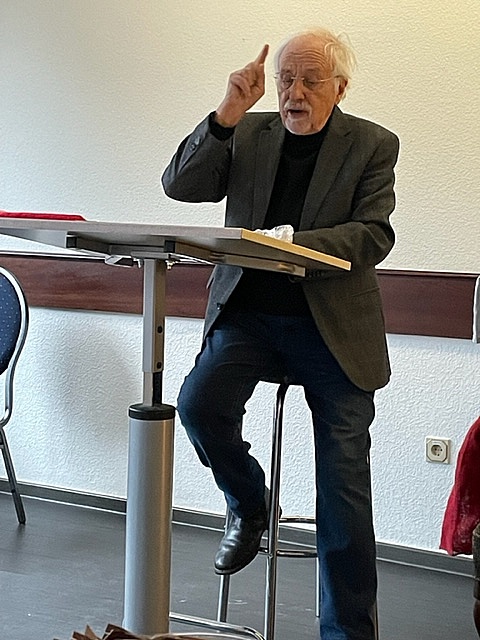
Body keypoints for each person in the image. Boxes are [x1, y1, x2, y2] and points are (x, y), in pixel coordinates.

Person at [162, 27, 399, 640]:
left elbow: (374, 233)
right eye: (285, 79)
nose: (294, 93)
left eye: (310, 81)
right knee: (198, 404)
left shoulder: (372, 144)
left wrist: (292, 244)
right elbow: (180, 185)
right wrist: (227, 112)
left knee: (343, 491)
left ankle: (347, 633)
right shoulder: (249, 131)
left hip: (333, 330)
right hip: (249, 319)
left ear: (339, 87)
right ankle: (250, 503)